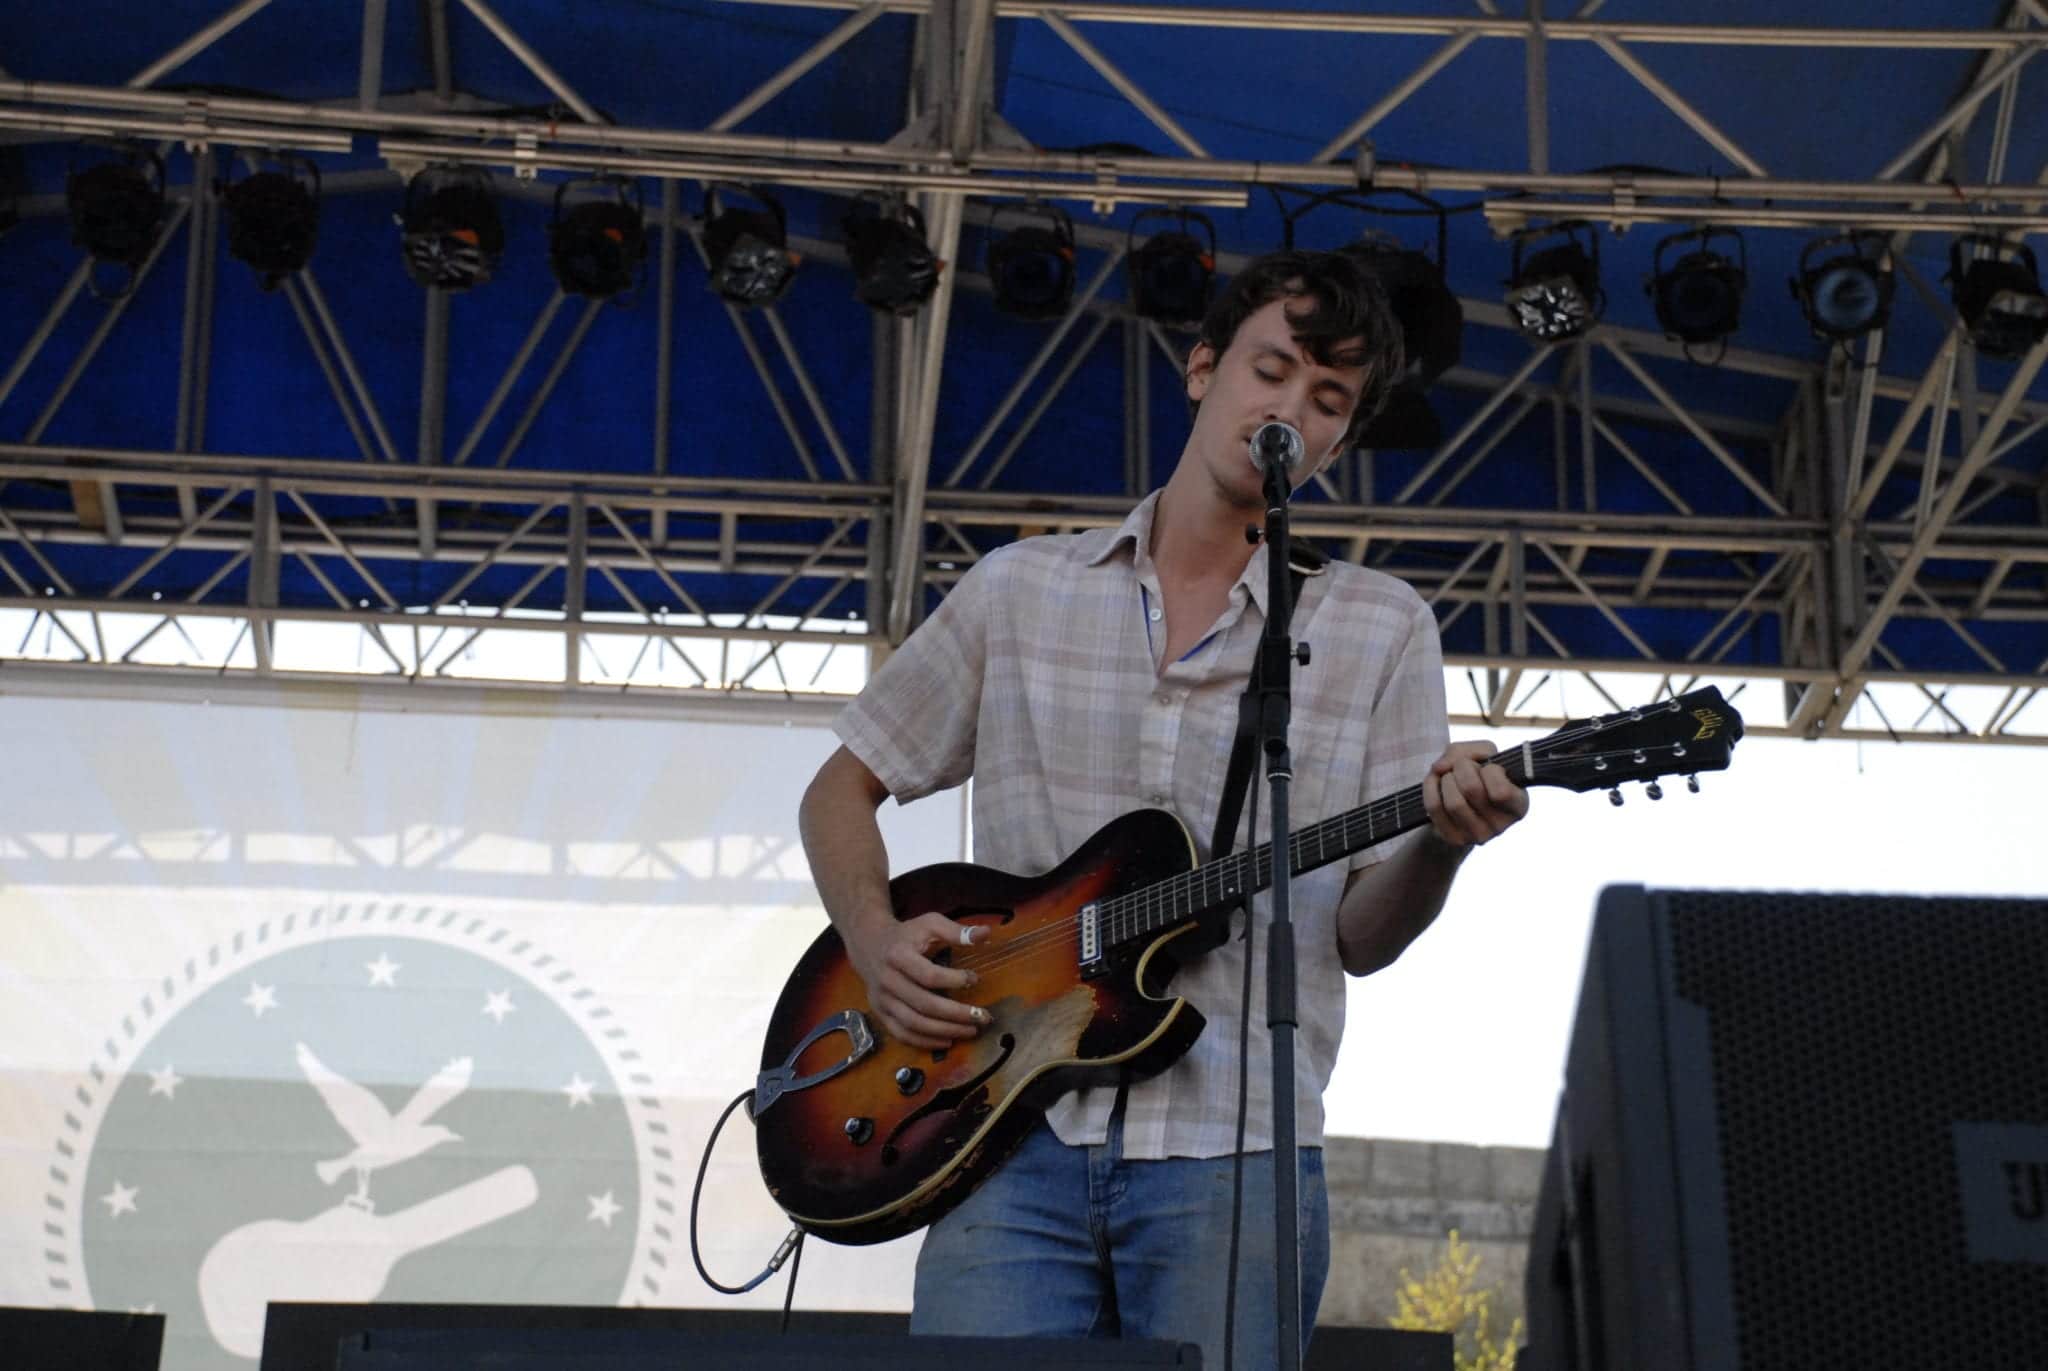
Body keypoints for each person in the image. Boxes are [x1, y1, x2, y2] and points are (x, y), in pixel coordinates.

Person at [797, 248, 1529, 1368]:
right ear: (1201, 369)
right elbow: (839, 788)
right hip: (1001, 1131)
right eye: (1270, 371)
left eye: (1326, 400)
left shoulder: (1382, 628)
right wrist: (873, 937)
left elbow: (1359, 938)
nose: (1288, 410)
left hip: (1237, 1152)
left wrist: (1440, 844)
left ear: (1338, 444)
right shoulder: (1021, 590)